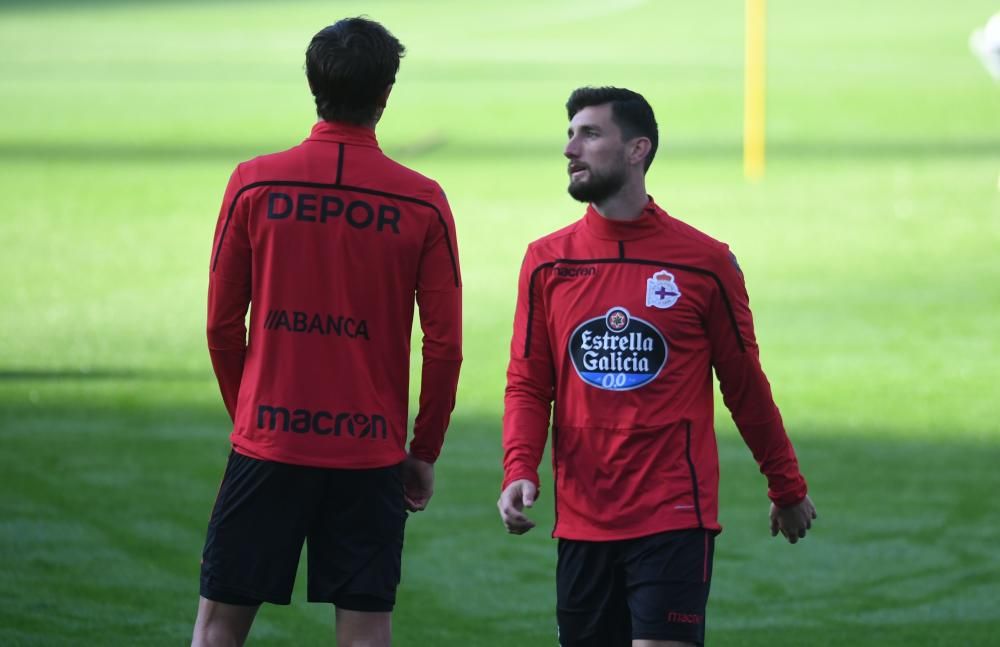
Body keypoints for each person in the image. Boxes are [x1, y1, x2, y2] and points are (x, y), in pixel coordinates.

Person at [497, 86, 816, 647]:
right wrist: (519, 468)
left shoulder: (705, 263)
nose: (571, 148)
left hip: (673, 515)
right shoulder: (546, 261)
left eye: (590, 134)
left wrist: (785, 486)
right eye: (570, 134)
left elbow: (744, 386)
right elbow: (528, 380)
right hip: (581, 517)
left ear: (637, 149)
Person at [192, 17, 462, 647]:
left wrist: (251, 413)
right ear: (385, 94)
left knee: (218, 629)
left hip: (269, 443)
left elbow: (221, 324)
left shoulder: (254, 183)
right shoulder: (422, 200)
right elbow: (444, 345)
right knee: (366, 633)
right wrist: (422, 449)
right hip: (369, 453)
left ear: (313, 84)